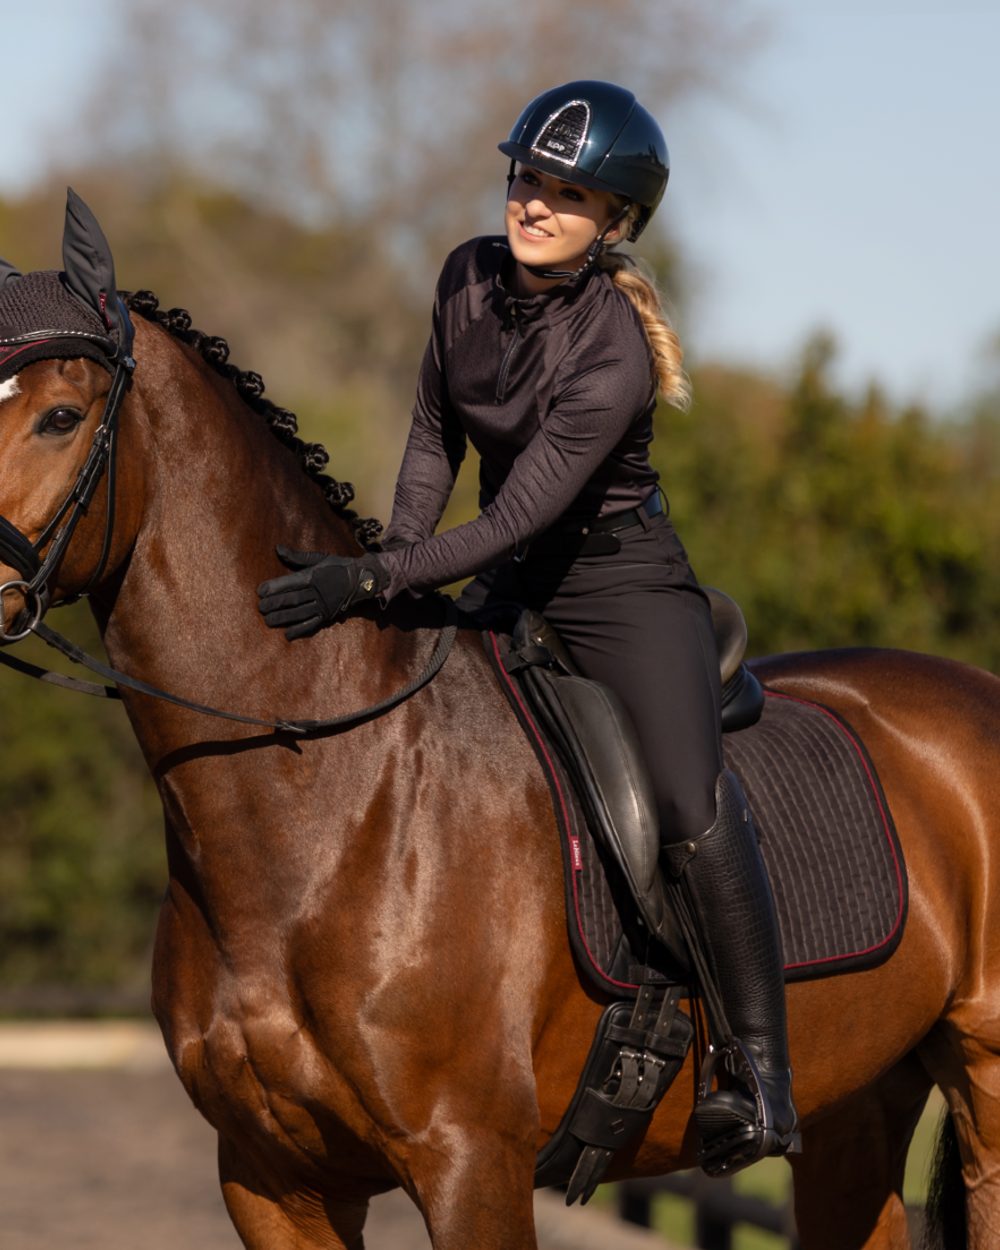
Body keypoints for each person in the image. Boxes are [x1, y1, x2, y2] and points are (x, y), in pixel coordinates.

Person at [257, 80, 798, 1174]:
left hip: (616, 586)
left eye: (569, 195)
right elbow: (429, 438)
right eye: (528, 180)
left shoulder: (613, 353)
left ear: (616, 224)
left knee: (691, 807)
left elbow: (516, 513)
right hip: (507, 572)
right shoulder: (463, 274)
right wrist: (395, 574)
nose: (536, 206)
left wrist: (369, 575)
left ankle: (756, 1069)